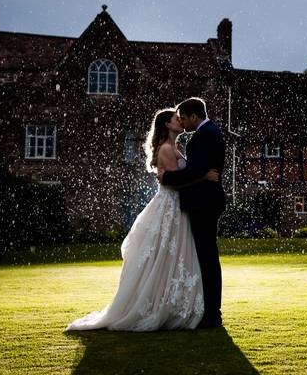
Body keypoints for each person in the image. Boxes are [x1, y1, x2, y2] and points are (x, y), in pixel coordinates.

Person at [67, 108, 219, 331]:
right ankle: (160, 305)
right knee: (165, 255)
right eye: (177, 119)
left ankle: (169, 301)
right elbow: (174, 181)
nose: (181, 121)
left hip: (177, 206)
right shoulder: (167, 148)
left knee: (170, 256)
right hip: (171, 205)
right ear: (167, 125)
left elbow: (179, 175)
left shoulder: (172, 147)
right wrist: (204, 176)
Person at [159, 97, 228, 329]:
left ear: (194, 116)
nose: (183, 123)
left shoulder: (204, 136)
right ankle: (208, 311)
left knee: (207, 259)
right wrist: (203, 175)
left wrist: (166, 178)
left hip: (204, 203)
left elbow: (195, 171)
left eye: (184, 118)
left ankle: (212, 315)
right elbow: (200, 170)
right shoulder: (211, 132)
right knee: (207, 258)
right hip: (207, 201)